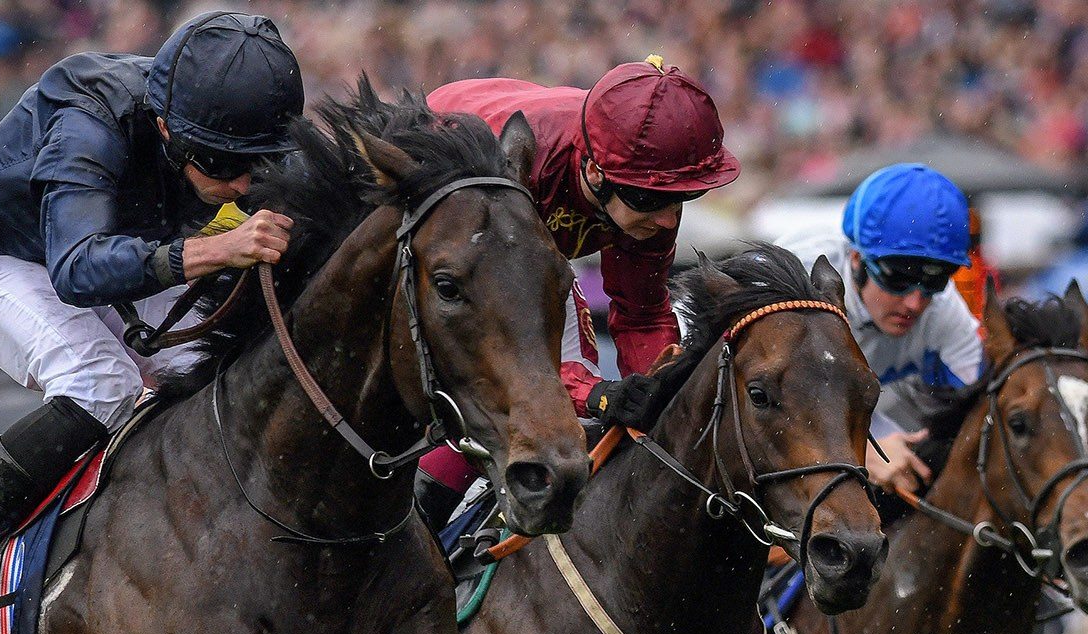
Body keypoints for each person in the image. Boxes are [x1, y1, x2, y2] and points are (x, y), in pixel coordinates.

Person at [0, 10, 304, 634]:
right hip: (4, 257)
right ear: (165, 128)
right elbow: (76, 269)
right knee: (103, 381)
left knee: (218, 369)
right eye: (223, 164)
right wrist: (218, 250)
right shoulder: (90, 115)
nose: (242, 184)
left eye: (256, 163)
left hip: (126, 246)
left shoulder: (227, 129)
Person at [419, 58, 740, 515]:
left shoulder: (645, 182)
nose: (669, 220)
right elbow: (502, 337)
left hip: (523, 248)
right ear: (593, 171)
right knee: (499, 387)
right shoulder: (523, 173)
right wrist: (596, 394)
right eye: (652, 201)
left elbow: (643, 315)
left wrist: (658, 400)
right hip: (456, 202)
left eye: (685, 198)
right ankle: (423, 503)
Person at [778, 164, 981, 497]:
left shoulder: (946, 313)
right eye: (898, 278)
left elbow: (979, 420)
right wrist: (859, 449)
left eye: (934, 280)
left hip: (871, 416)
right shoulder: (799, 270)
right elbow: (754, 404)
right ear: (856, 259)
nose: (915, 303)